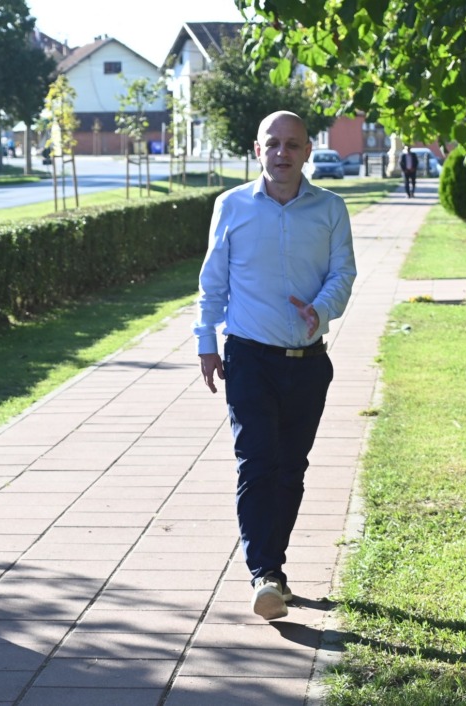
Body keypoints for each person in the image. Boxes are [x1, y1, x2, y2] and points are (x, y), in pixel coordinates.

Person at [193, 110, 356, 621]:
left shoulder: (330, 208)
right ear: (257, 149)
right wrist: (206, 342)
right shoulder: (231, 205)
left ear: (307, 150)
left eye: (292, 144)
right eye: (273, 143)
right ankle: (264, 573)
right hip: (249, 357)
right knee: (256, 462)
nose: (282, 153)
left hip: (308, 363)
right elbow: (213, 281)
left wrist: (320, 309)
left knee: (291, 468)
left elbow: (343, 273)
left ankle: (273, 573)